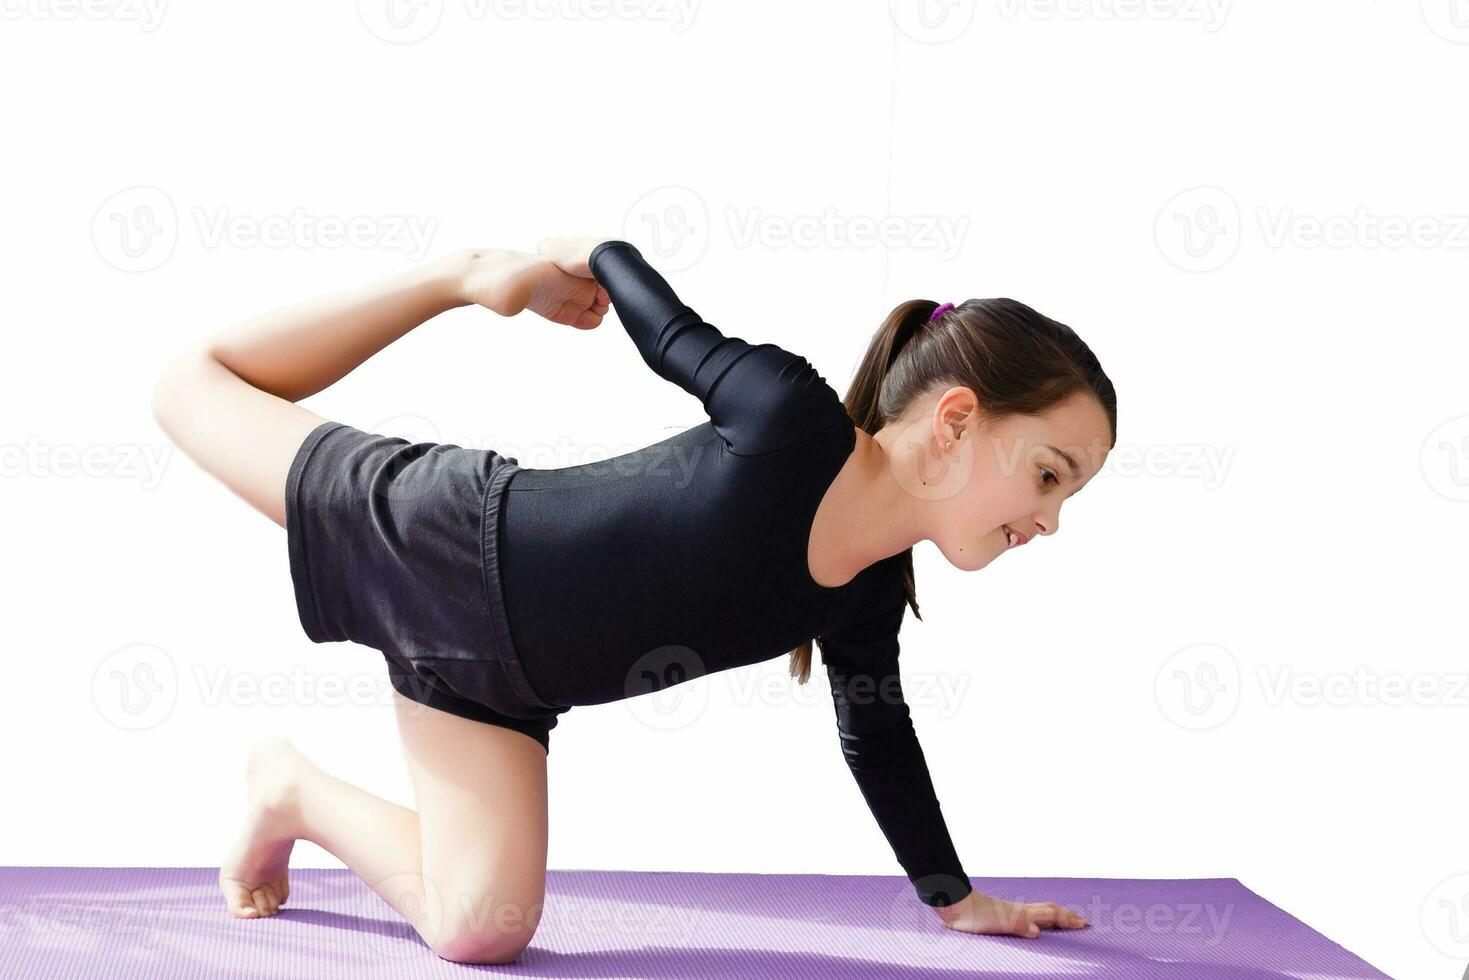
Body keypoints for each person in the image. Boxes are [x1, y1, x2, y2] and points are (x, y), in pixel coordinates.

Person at [152, 237, 1116, 962]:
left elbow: (880, 739)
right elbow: (671, 337)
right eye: (1047, 474)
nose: (1052, 521)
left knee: (476, 930)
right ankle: (451, 273)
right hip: (446, 546)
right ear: (956, 421)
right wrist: (569, 265)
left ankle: (287, 789)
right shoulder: (790, 420)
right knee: (191, 384)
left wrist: (953, 899)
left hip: (500, 695)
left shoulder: (864, 596)